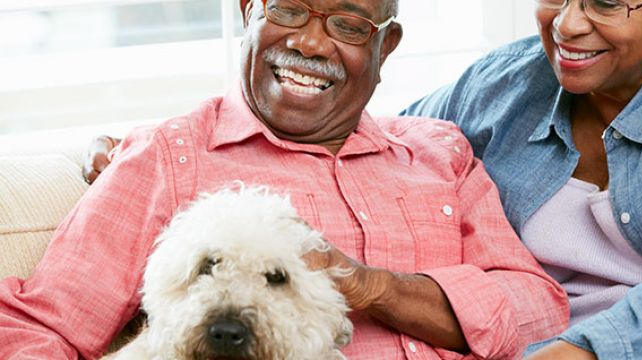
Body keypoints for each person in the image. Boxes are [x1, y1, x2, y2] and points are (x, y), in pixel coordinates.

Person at [84, 0, 642, 359]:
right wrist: (149, 147)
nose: (569, 21)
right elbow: (375, 133)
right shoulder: (511, 80)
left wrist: (570, 356)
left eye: (609, 0)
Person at [0, 0, 570, 359]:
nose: (310, 43)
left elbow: (540, 310)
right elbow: (40, 327)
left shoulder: (439, 152)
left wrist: (374, 287)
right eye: (289, 11)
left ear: (384, 45)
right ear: (250, 10)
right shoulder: (170, 156)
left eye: (347, 23)